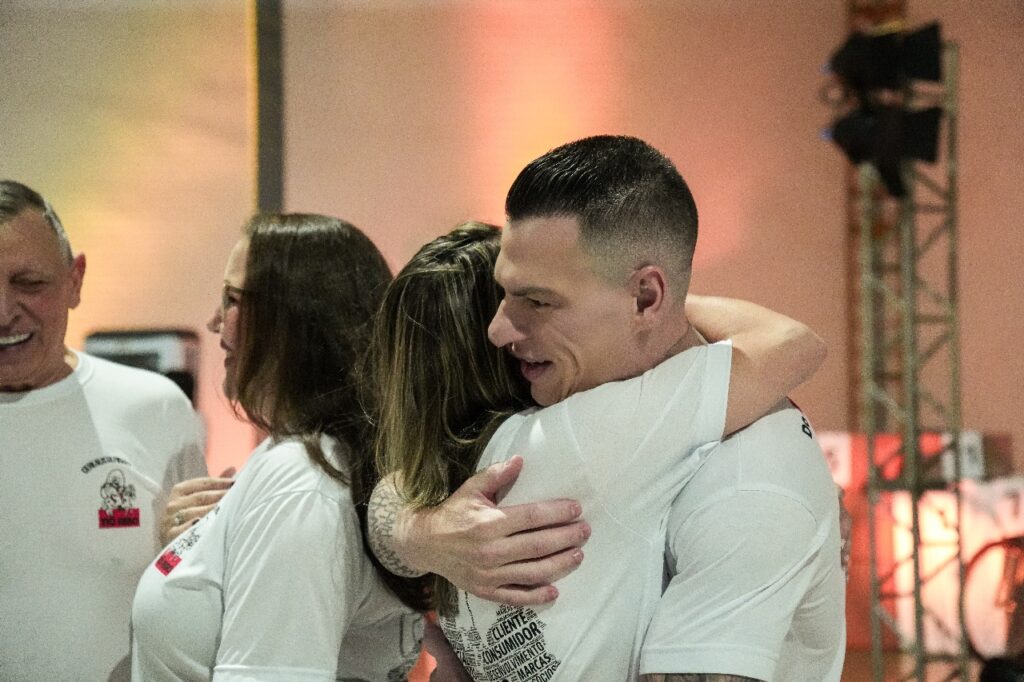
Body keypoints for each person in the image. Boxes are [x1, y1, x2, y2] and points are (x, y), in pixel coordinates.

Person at [371, 136, 845, 681]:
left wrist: (415, 533)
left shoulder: (743, 478)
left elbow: (795, 346)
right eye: (505, 294)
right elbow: (789, 341)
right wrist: (420, 532)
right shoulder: (542, 436)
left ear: (645, 297)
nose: (500, 330)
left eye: (538, 300)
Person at [130, 213, 428, 680]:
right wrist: (197, 554)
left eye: (232, 300)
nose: (213, 322)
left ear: (293, 320)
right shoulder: (301, 460)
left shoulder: (301, 480)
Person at [0, 179, 207, 681]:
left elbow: (197, 589)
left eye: (29, 284)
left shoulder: (155, 408)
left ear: (75, 280)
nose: (3, 312)